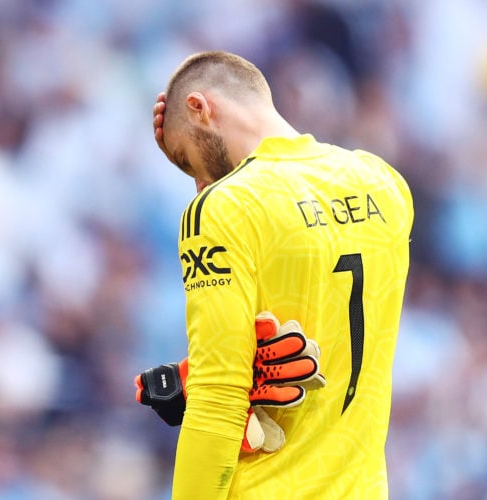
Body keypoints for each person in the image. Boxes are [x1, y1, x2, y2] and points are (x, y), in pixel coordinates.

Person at [151, 50, 413, 499]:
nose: (197, 184)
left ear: (200, 107)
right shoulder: (383, 182)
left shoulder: (224, 207)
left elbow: (219, 398)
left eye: (186, 160)